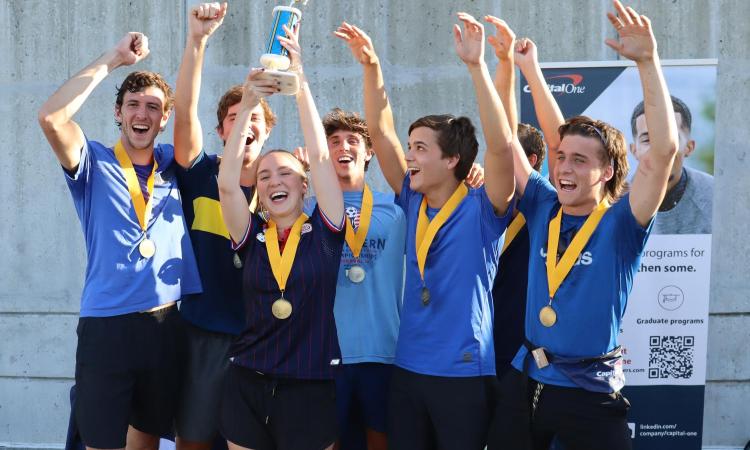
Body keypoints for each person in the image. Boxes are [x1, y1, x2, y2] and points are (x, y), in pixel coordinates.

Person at [491, 2, 679, 449]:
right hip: (527, 382)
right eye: (560, 159)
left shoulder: (622, 222)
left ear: (608, 172)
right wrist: (514, 69)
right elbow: (505, 139)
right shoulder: (542, 204)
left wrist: (648, 62)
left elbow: (664, 153)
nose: (564, 168)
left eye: (580, 161)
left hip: (590, 394)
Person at [335, 12, 516, 449]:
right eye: (410, 146)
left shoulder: (485, 206)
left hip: (462, 372)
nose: (409, 156)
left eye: (420, 148)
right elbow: (379, 132)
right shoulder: (411, 201)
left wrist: (480, 68)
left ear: (452, 159)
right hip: (407, 368)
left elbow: (501, 146)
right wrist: (371, 67)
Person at [38, 33, 201, 450]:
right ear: (118, 112)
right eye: (133, 104)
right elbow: (52, 118)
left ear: (164, 119)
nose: (142, 114)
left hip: (165, 324)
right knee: (101, 443)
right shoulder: (92, 161)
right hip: (107, 327)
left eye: (153, 107)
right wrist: (113, 59)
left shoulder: (173, 163)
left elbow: (191, 121)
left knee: (145, 441)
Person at [217, 24, 345, 450]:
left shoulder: (325, 232)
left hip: (309, 386)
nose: (275, 179)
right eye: (266, 174)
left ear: (304, 186)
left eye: (286, 172)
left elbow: (323, 157)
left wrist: (301, 85)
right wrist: (249, 102)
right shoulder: (251, 234)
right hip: (247, 381)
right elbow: (227, 185)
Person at [170, 4, 276, 449]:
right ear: (219, 130)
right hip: (202, 334)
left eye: (254, 118)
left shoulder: (283, 184)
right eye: (235, 117)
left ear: (267, 133)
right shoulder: (200, 174)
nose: (245, 123)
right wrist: (198, 41)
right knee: (193, 439)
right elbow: (184, 109)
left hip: (263, 339)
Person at [630, 95, 713, 234]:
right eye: (647, 140)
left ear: (689, 147)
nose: (659, 151)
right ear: (634, 150)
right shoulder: (612, 202)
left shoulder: (718, 198)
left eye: (670, 139)